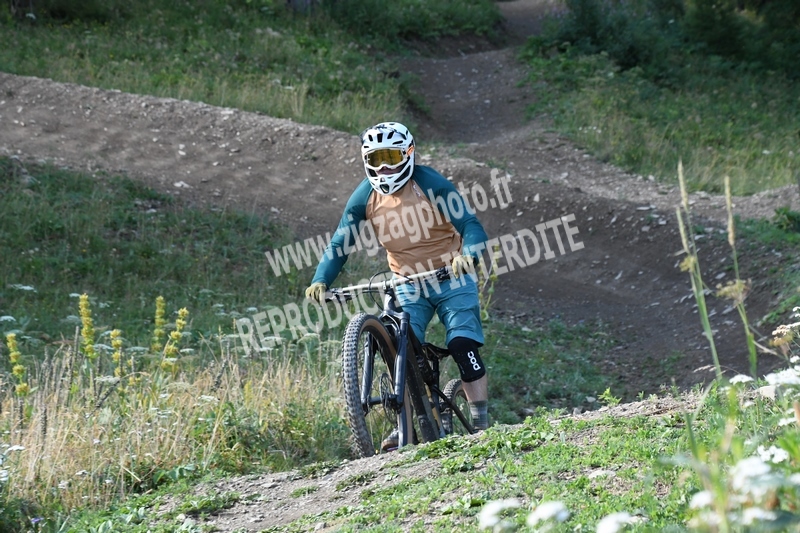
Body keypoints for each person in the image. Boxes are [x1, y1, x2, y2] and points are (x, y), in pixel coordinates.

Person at [305, 121, 490, 450]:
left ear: (408, 154)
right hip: (407, 283)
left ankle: (481, 424)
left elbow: (470, 225)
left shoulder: (430, 183)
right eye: (375, 159)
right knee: (399, 348)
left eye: (390, 157)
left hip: (452, 276)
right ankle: (406, 421)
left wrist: (469, 255)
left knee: (463, 344)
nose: (384, 168)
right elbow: (340, 243)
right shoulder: (365, 195)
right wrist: (321, 279)